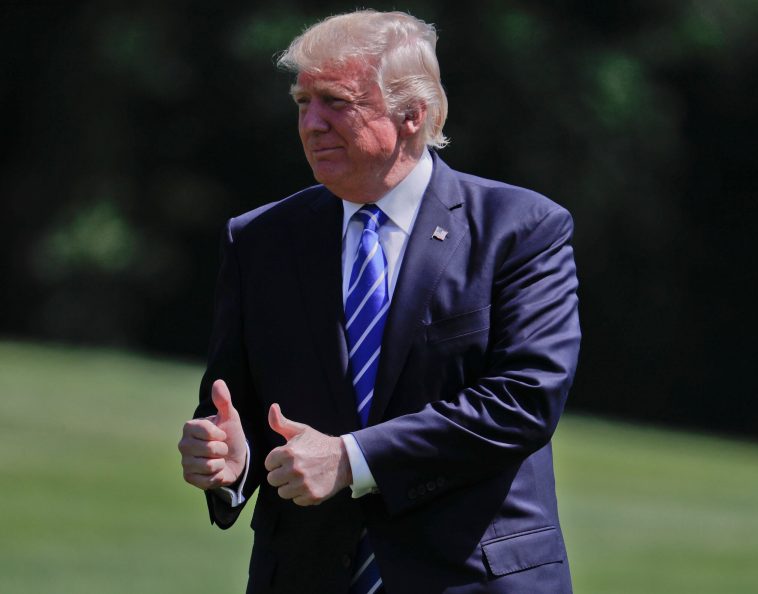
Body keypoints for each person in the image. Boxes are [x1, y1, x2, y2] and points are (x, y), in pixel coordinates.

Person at [178, 9, 580, 594]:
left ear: (413, 115)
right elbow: (239, 408)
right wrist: (231, 461)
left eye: (336, 102)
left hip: (474, 579)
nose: (311, 123)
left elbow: (525, 399)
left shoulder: (521, 228)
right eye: (302, 102)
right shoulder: (258, 239)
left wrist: (353, 459)